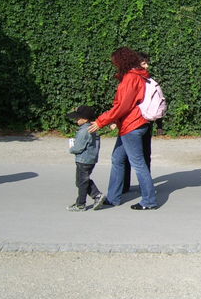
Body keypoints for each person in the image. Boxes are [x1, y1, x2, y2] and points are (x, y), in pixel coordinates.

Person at [89, 47, 158, 211]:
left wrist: (101, 121)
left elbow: (122, 106)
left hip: (131, 125)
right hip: (135, 124)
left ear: (121, 61)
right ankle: (113, 198)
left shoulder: (130, 78)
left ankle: (149, 201)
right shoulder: (139, 76)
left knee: (138, 163)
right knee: (117, 159)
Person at [121, 51, 164, 193]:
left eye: (147, 63)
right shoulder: (132, 79)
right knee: (126, 156)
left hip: (145, 122)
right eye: (144, 63)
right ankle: (125, 185)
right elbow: (124, 102)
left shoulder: (148, 80)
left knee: (144, 155)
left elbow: (156, 102)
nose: (147, 66)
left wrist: (159, 124)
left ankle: (145, 186)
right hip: (130, 122)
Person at [66, 105, 101, 211]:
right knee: (82, 181)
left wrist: (71, 149)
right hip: (91, 159)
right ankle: (97, 195)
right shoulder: (93, 127)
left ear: (85, 119)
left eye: (78, 117)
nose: (76, 119)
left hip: (83, 160)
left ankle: (81, 204)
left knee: (82, 182)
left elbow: (79, 148)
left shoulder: (83, 131)